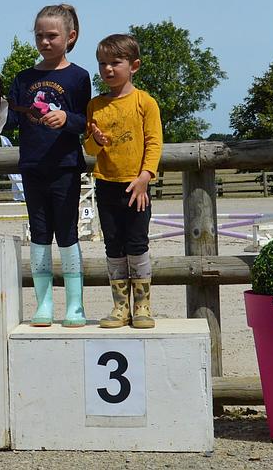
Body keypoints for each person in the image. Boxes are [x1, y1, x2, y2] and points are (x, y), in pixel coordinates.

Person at [0, 4, 91, 328]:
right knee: (39, 235)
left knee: (68, 234)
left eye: (52, 35)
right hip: (32, 165)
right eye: (39, 35)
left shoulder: (79, 77)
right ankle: (43, 304)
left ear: (70, 37)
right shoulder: (24, 78)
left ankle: (75, 305)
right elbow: (11, 119)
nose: (45, 41)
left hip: (66, 165)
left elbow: (87, 119)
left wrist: (67, 118)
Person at [84, 34, 163, 329]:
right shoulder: (95, 105)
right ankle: (120, 307)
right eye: (102, 63)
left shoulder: (145, 102)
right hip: (106, 183)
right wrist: (96, 140)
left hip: (137, 186)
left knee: (137, 243)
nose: (108, 69)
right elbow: (89, 149)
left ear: (134, 65)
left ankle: (142, 305)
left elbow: (154, 143)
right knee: (113, 246)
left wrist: (145, 177)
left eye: (115, 63)